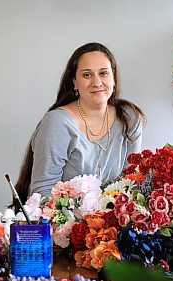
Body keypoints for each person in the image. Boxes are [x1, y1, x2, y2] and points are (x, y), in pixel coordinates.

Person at [14, 42, 146, 204]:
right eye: (87, 75)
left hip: (114, 225)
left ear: (114, 78)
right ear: (75, 82)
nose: (97, 82)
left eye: (103, 73)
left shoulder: (129, 118)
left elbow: (131, 183)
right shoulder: (58, 123)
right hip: (63, 224)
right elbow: (43, 193)